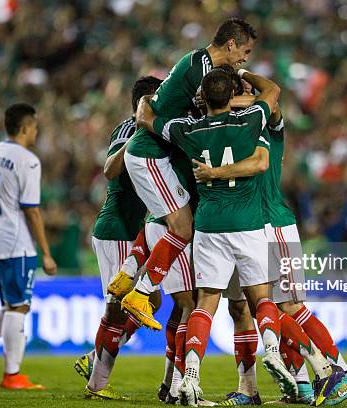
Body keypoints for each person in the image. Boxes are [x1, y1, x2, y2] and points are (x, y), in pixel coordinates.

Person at [135, 67, 333, 406]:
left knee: (206, 304)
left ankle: (192, 375)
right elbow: (271, 91)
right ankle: (272, 349)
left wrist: (147, 99)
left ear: (202, 98)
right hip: (247, 223)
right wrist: (243, 72)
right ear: (231, 97)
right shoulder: (250, 121)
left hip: (209, 226)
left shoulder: (189, 130)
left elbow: (148, 118)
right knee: (263, 297)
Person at [195, 103, 347, 406]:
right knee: (252, 309)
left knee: (290, 307)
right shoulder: (229, 130)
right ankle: (294, 386)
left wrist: (243, 86)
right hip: (245, 228)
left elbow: (272, 95)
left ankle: (341, 372)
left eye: (243, 95)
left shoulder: (264, 122)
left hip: (275, 226)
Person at [107, 18, 258, 331]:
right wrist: (257, 100)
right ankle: (141, 292)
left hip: (154, 153)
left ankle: (128, 271)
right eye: (245, 50)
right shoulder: (203, 72)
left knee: (174, 214)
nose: (245, 57)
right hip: (151, 155)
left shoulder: (195, 61)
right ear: (231, 44)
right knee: (182, 226)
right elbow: (219, 105)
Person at [73, 76, 164, 400]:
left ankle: (94, 360)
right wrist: (140, 132)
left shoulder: (154, 128)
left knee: (151, 301)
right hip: (117, 230)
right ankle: (97, 383)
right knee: (117, 308)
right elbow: (110, 170)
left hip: (130, 230)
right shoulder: (129, 129)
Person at [0, 103, 57, 390]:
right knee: (19, 307)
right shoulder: (27, 160)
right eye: (35, 127)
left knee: (11, 304)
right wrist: (46, 252)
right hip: (17, 243)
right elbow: (32, 210)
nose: (37, 132)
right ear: (26, 127)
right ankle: (12, 375)